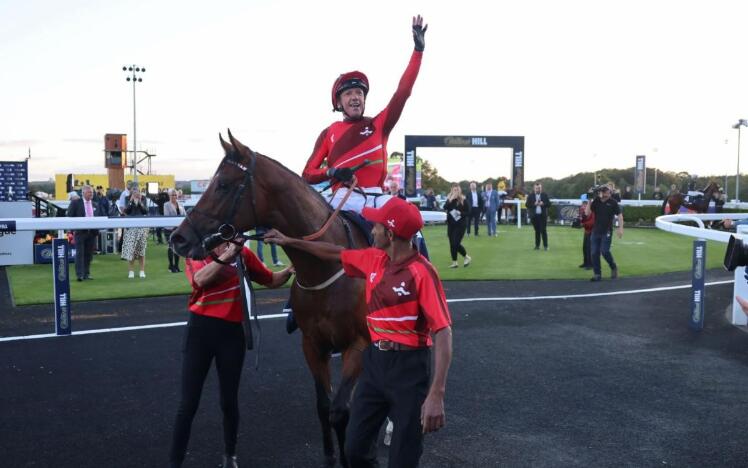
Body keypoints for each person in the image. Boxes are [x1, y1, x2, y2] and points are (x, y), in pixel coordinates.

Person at [264, 196, 452, 468]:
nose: (370, 230)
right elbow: (330, 252)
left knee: (403, 458)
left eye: (374, 226)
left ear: (389, 233)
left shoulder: (423, 273)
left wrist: (437, 393)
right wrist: (289, 241)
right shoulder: (374, 259)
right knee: (354, 450)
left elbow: (443, 332)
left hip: (409, 369)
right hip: (374, 363)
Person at [170, 240, 293, 468]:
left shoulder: (244, 254)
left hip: (232, 336)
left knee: (229, 401)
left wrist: (289, 270)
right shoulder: (197, 251)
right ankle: (175, 463)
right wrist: (228, 255)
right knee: (188, 404)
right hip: (200, 333)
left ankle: (230, 457)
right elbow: (200, 280)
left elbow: (270, 280)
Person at [301, 15, 427, 214]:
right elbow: (307, 174)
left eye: (359, 93)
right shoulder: (329, 133)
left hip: (377, 197)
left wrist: (418, 52)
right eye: (349, 93)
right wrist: (332, 172)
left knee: (412, 221)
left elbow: (402, 93)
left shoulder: (380, 123)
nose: (355, 97)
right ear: (339, 102)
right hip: (342, 198)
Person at [585, 185, 624, 281]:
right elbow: (587, 213)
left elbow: (620, 216)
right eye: (602, 191)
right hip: (596, 231)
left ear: (609, 193)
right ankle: (597, 274)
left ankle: (613, 267)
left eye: (605, 191)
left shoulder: (613, 203)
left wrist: (620, 228)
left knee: (605, 251)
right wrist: (589, 200)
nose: (603, 193)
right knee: (594, 253)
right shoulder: (596, 201)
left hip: (607, 231)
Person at [66, 185, 103, 281]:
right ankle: (80, 275)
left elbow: (99, 217)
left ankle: (87, 273)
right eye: (89, 192)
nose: (91, 194)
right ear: (83, 193)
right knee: (79, 254)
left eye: (92, 192)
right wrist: (72, 229)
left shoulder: (95, 204)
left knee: (89, 255)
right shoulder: (75, 203)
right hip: (80, 232)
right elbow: (70, 216)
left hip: (92, 233)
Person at [121, 187, 149, 278]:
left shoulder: (144, 199)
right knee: (131, 250)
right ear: (132, 193)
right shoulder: (127, 199)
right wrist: (131, 201)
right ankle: (131, 271)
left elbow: (145, 211)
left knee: (141, 250)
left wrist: (140, 202)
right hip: (131, 227)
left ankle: (142, 271)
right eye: (135, 192)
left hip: (141, 227)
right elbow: (126, 211)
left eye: (138, 192)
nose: (137, 193)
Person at [444, 184, 471, 268]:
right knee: (452, 244)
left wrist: (461, 213)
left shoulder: (463, 199)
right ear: (451, 190)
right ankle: (454, 262)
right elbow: (445, 207)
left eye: (457, 190)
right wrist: (450, 199)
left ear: (459, 191)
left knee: (456, 243)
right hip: (451, 224)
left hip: (460, 225)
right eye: (454, 190)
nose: (455, 191)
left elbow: (469, 212)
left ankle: (466, 257)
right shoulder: (449, 199)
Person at [163, 189, 186, 273]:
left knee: (177, 247)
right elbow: (167, 216)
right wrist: (173, 226)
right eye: (172, 195)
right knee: (171, 247)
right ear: (169, 196)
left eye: (175, 195)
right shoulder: (166, 205)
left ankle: (176, 266)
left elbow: (184, 215)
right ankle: (171, 266)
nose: (174, 196)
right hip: (169, 229)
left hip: (179, 229)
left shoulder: (180, 204)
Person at [526, 183, 551, 250]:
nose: (538, 189)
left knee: (543, 230)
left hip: (542, 216)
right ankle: (537, 246)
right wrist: (534, 204)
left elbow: (549, 204)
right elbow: (527, 205)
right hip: (534, 216)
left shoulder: (544, 195)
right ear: (534, 188)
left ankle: (545, 246)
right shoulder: (530, 196)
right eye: (537, 188)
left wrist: (543, 204)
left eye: (539, 188)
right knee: (537, 231)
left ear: (541, 188)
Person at [579, 200, 595, 269]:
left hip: (592, 232)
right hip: (587, 231)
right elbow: (582, 220)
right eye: (582, 206)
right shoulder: (585, 213)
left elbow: (592, 222)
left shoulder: (593, 212)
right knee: (585, 248)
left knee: (589, 248)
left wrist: (583, 224)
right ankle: (585, 262)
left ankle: (590, 264)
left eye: (584, 206)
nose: (582, 207)